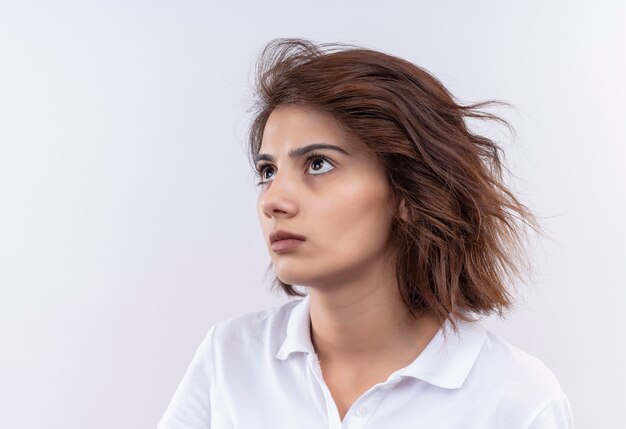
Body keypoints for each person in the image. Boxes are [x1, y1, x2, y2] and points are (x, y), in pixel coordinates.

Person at [156, 38, 574, 428]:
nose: (273, 200)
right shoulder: (230, 357)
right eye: (268, 171)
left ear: (410, 192)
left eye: (318, 164)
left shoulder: (517, 401)